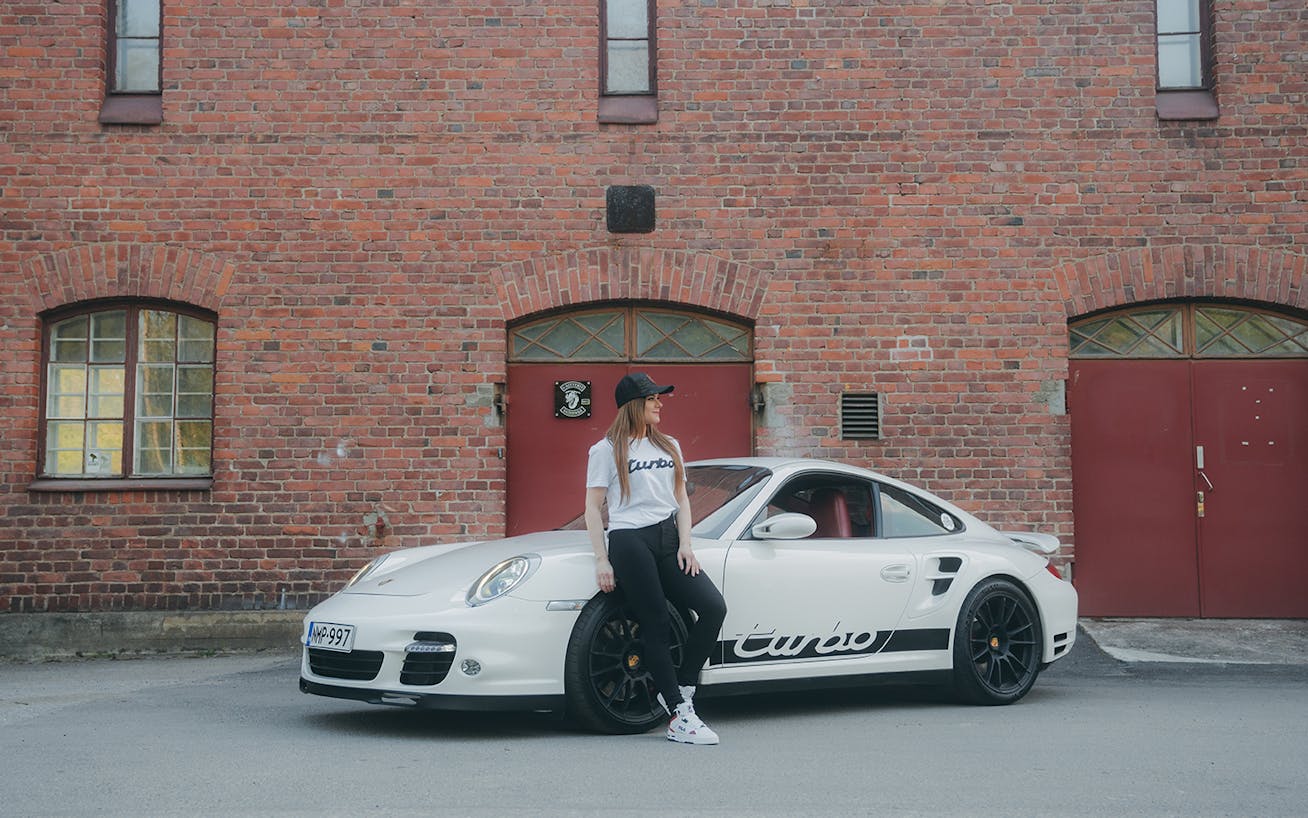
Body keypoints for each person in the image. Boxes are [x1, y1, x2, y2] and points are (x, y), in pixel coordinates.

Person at [584, 372, 728, 746]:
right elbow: (592, 505)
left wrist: (686, 543)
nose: (660, 403)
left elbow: (681, 498)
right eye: (653, 399)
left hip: (668, 537)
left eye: (659, 398)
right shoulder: (606, 450)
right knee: (656, 623)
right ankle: (680, 715)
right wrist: (602, 559)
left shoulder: (670, 445)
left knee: (712, 607)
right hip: (630, 540)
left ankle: (680, 686)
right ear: (635, 405)